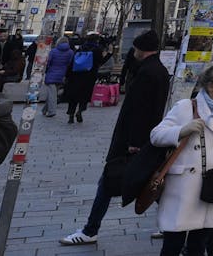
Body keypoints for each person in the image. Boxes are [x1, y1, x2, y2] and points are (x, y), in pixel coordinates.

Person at [60, 30, 170, 246]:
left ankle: (91, 229)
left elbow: (141, 110)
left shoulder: (148, 73)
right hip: (146, 140)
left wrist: (134, 143)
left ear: (140, 49)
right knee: (152, 184)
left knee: (108, 182)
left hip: (134, 142)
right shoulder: (159, 71)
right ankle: (171, 223)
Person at [149, 57, 213, 256]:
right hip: (182, 188)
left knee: (198, 246)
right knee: (172, 245)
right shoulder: (185, 107)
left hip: (212, 187)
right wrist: (181, 130)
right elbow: (156, 135)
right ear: (210, 85)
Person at [63, 34, 109, 123]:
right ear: (96, 41)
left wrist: (67, 75)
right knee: (84, 96)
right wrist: (109, 54)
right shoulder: (97, 50)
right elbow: (101, 62)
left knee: (73, 96)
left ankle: (71, 115)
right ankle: (80, 111)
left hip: (76, 75)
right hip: (89, 76)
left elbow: (72, 62)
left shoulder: (80, 48)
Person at [41, 33, 75, 119]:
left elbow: (48, 62)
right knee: (52, 92)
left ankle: (52, 111)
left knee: (52, 94)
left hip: (52, 73)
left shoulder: (53, 51)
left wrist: (46, 70)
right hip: (62, 74)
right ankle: (44, 110)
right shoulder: (70, 52)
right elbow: (69, 63)